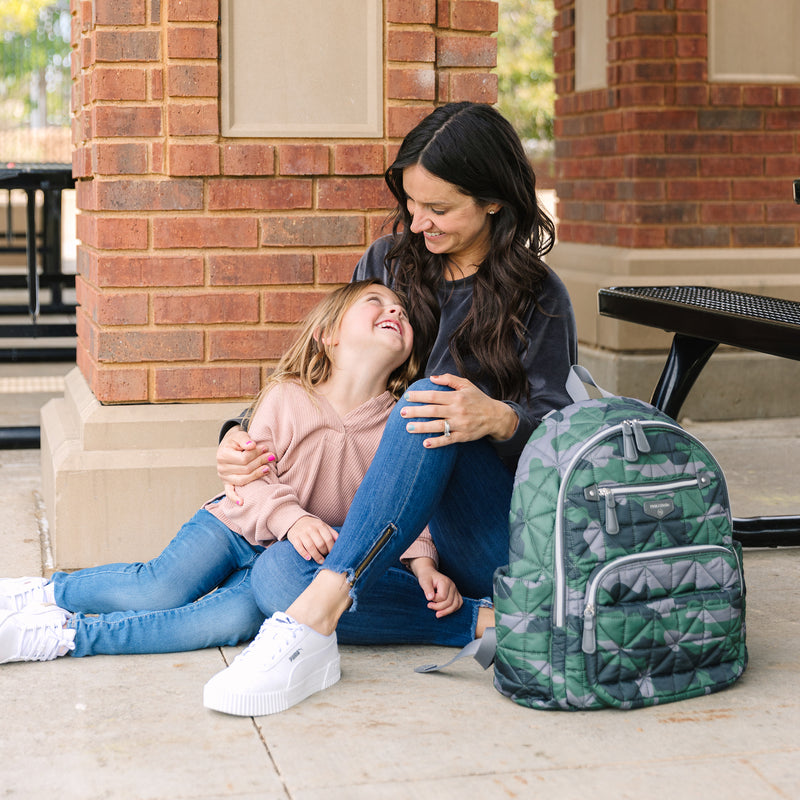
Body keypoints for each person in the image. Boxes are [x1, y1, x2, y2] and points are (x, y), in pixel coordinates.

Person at [206, 101, 578, 717]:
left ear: (492, 201)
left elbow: (562, 434)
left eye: (439, 209)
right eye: (411, 203)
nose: (418, 222)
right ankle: (488, 622)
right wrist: (242, 436)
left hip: (487, 531)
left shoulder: (538, 296)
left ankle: (319, 617)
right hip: (391, 540)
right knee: (277, 579)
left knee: (428, 398)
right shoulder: (388, 264)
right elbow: (324, 374)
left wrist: (499, 418)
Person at [0, 280, 453, 669]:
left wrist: (424, 562)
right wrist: (291, 520)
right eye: (375, 301)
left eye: (402, 311)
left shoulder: (397, 424)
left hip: (296, 562)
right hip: (233, 525)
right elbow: (249, 478)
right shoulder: (287, 397)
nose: (395, 309)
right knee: (160, 586)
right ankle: (43, 594)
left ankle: (63, 637)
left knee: (223, 622)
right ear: (328, 334)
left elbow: (406, 501)